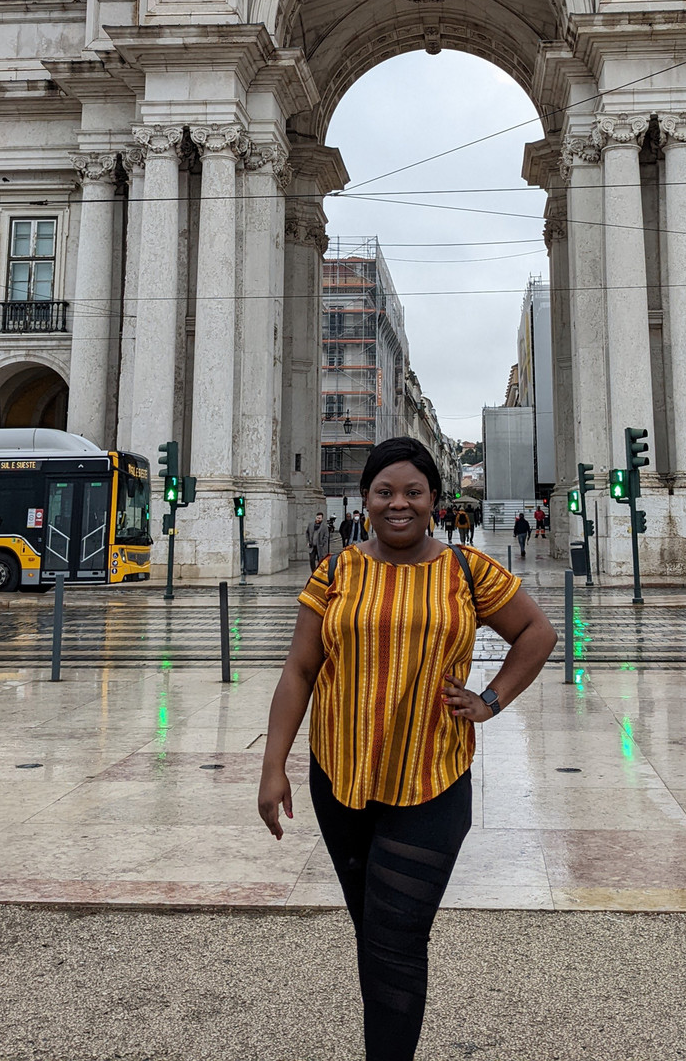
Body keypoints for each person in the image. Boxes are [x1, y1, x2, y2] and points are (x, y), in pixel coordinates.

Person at [258, 436, 556, 1061]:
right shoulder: (335, 571)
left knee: (396, 940)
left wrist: (490, 699)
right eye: (385, 492)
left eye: (413, 492)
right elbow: (299, 670)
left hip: (432, 779)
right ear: (365, 499)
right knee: (374, 933)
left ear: (434, 499)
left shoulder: (468, 570)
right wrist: (273, 767)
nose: (399, 504)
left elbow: (537, 632)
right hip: (340, 778)